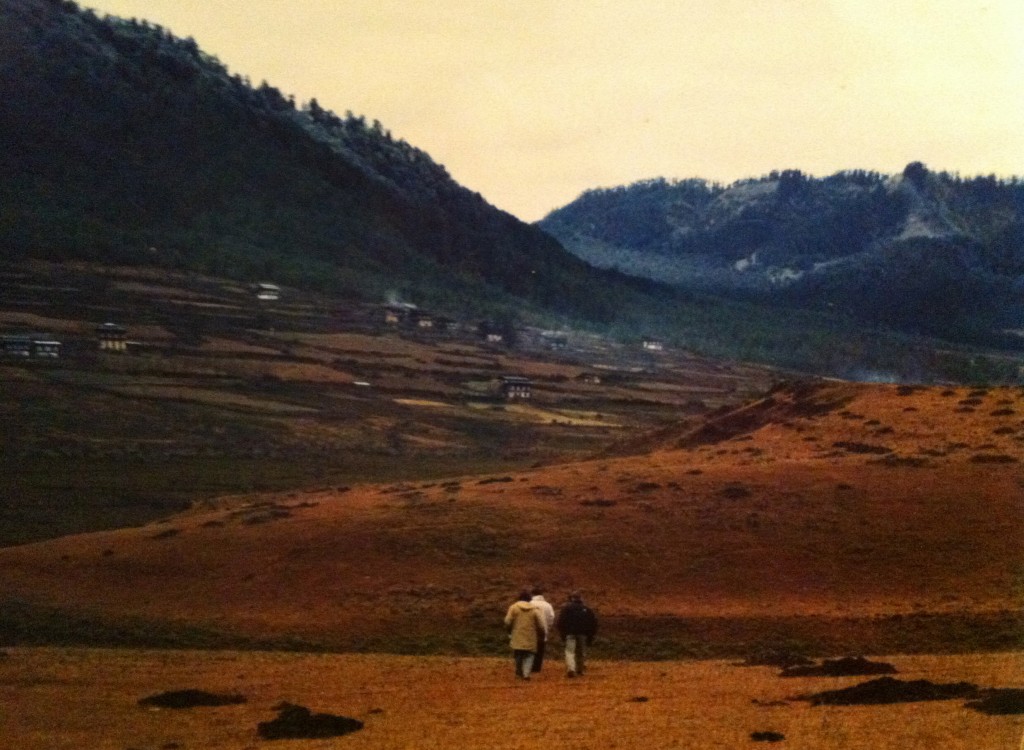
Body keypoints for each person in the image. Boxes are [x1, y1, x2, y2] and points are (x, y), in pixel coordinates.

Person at [504, 590, 546, 680]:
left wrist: (510, 630)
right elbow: (541, 625)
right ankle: (526, 674)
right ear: (529, 599)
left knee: (518, 654)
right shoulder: (535, 610)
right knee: (530, 655)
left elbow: (507, 621)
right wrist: (542, 634)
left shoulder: (514, 607)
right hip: (531, 636)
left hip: (517, 634)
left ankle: (519, 672)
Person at [556, 590, 598, 678]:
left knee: (570, 652)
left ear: (571, 598)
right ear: (581, 598)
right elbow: (593, 623)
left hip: (570, 633)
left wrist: (563, 633)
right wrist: (590, 635)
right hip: (583, 634)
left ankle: (571, 668)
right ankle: (580, 670)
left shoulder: (566, 609)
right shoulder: (586, 609)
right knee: (581, 652)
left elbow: (561, 622)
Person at [529, 586, 556, 673]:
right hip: (543, 630)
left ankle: (529, 665)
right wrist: (547, 627)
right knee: (540, 649)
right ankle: (537, 667)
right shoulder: (548, 605)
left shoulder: (529, 603)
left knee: (530, 649)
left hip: (531, 630)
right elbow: (551, 617)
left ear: (532, 594)